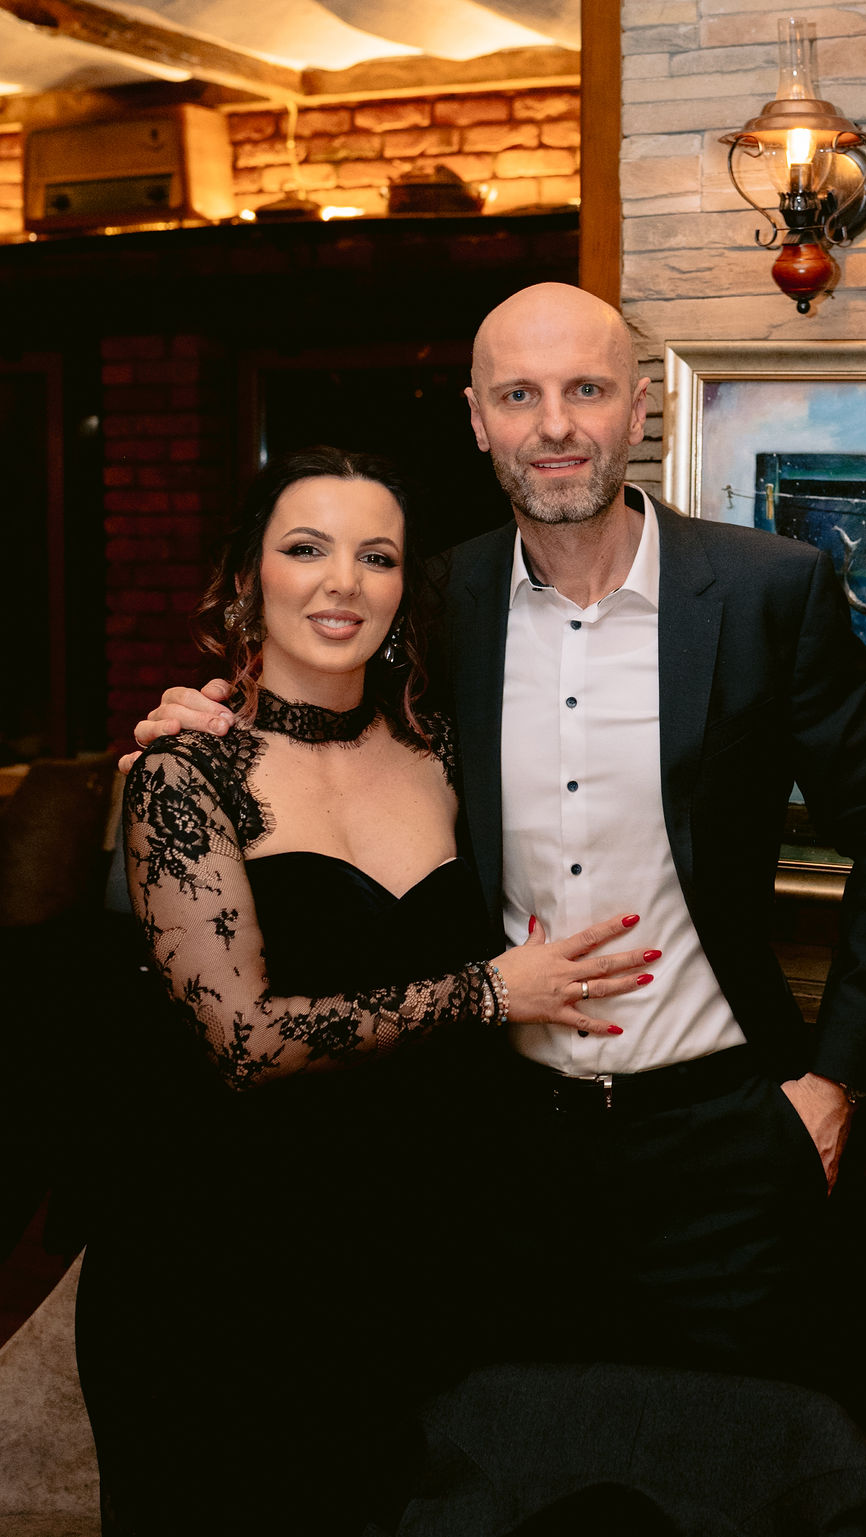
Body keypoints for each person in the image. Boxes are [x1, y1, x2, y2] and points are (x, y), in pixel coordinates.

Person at [127, 285, 866, 1391]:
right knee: (515, 1457)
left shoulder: (765, 591)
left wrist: (836, 1083)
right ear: (478, 420)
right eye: (519, 395)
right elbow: (321, 703)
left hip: (725, 1139)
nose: (555, 425)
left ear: (637, 407)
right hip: (497, 1152)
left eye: (585, 390)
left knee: (736, 1455)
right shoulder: (434, 601)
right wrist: (199, 722)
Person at [81, 444, 658, 1537]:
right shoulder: (181, 773)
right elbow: (245, 1040)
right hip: (224, 1258)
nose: (342, 582)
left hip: (415, 1244)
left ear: (403, 589)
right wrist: (488, 992)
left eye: (377, 556)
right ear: (247, 577)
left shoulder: (448, 750)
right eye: (307, 548)